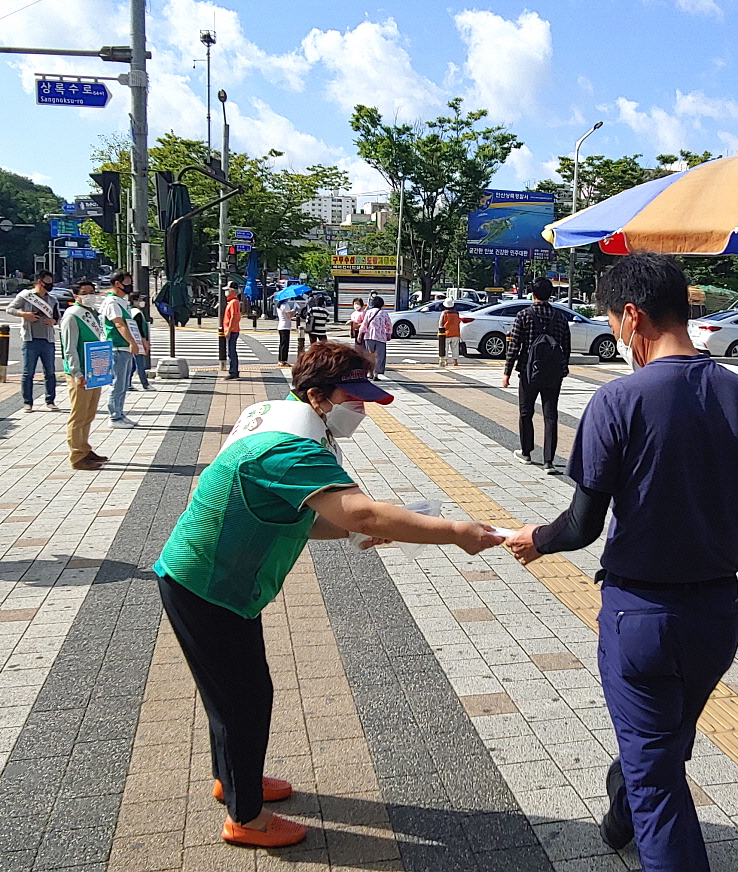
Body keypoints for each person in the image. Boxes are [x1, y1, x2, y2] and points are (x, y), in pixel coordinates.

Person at [504, 252, 738, 871]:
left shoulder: (618, 401)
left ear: (632, 316)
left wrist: (534, 540)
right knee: (662, 743)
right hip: (717, 620)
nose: (618, 337)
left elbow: (582, 525)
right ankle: (620, 819)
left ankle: (636, 815)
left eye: (615, 325)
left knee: (656, 780)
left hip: (640, 618)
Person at [153, 341, 502, 848]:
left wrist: (350, 530)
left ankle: (234, 780)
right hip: (207, 584)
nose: (360, 407)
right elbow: (360, 511)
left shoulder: (279, 419)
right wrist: (454, 530)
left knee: (231, 696)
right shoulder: (290, 448)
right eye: (352, 396)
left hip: (214, 580)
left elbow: (301, 516)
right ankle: (244, 818)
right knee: (245, 701)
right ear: (317, 396)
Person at [502, 278, 570, 471]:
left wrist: (507, 372)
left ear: (533, 295)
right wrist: (563, 370)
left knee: (526, 413)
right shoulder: (560, 318)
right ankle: (549, 461)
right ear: (550, 295)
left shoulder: (524, 316)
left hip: (528, 371)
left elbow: (514, 346)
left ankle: (526, 452)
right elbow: (566, 348)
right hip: (553, 374)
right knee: (551, 416)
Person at [59, 278, 110, 470]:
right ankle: (77, 456)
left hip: (94, 370)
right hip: (79, 372)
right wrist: (77, 373)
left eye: (92, 292)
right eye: (85, 292)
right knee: (78, 414)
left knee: (89, 413)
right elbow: (69, 348)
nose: (89, 296)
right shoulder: (72, 316)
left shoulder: (92, 314)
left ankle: (85, 448)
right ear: (76, 295)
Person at [6, 271, 62, 412]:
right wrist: (24, 314)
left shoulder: (52, 300)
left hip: (48, 339)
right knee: (28, 372)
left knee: (50, 372)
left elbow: (58, 318)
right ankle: (27, 402)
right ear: (39, 281)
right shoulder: (26, 296)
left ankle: (50, 401)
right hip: (30, 339)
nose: (50, 284)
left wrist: (53, 321)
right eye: (47, 281)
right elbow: (10, 309)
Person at [102, 272, 142, 428]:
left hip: (123, 347)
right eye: (127, 282)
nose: (130, 285)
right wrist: (132, 342)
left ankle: (120, 413)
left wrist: (139, 340)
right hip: (117, 346)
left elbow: (129, 324)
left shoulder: (121, 302)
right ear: (117, 284)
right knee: (117, 383)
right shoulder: (112, 303)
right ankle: (114, 417)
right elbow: (119, 324)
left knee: (124, 383)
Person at [360, 295, 393, 380]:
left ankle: (369, 373)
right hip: (381, 337)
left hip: (369, 336)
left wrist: (360, 334)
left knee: (369, 355)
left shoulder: (369, 312)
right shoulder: (384, 313)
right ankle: (376, 374)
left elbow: (365, 324)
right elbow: (388, 324)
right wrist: (388, 334)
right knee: (379, 356)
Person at [130, 293, 155, 391]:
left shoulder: (130, 311)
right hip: (138, 341)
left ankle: (128, 383)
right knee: (140, 363)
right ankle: (145, 384)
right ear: (134, 301)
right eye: (140, 300)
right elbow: (139, 328)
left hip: (131, 340)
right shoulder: (137, 313)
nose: (142, 302)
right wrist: (144, 341)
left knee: (132, 364)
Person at [222, 284, 243, 380]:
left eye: (228, 290)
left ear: (232, 291)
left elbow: (234, 316)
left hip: (232, 331)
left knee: (231, 352)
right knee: (231, 351)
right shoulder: (232, 302)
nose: (226, 292)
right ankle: (234, 371)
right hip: (232, 330)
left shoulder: (234, 302)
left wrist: (229, 330)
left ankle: (233, 371)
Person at [275, 294, 300, 367]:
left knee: (282, 344)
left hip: (281, 325)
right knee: (285, 344)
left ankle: (281, 360)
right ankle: (283, 360)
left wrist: (292, 310)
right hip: (285, 326)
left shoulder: (279, 305)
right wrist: (295, 309)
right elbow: (290, 316)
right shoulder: (285, 305)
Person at [438, 302, 462, 367]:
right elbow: (459, 321)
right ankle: (455, 361)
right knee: (455, 348)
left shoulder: (444, 313)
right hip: (456, 333)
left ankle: (446, 361)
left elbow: (440, 324)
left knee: (445, 348)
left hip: (446, 333)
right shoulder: (456, 313)